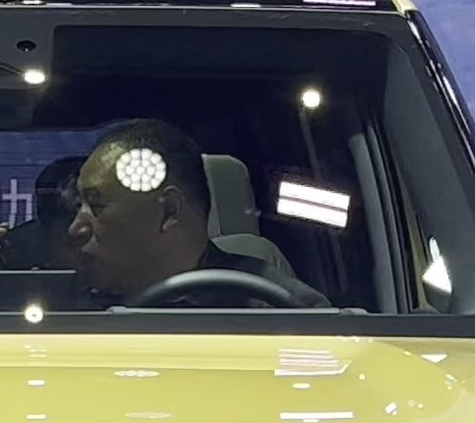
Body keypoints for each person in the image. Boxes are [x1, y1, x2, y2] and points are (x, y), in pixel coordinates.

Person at [58, 120, 311, 306]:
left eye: (97, 204)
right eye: (79, 205)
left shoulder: (280, 309)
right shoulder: (61, 311)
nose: (76, 228)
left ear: (169, 211)